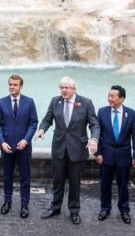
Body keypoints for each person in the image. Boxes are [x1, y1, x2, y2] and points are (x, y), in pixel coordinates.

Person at [36, 77, 100, 225]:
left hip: (77, 150)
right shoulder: (55, 101)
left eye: (67, 88)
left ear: (74, 89)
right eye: (62, 88)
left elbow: (94, 125)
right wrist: (42, 129)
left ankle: (74, 210)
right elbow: (47, 119)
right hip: (59, 149)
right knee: (57, 181)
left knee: (75, 183)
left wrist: (94, 139)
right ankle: (55, 207)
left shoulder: (86, 103)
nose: (64, 90)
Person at [94, 85, 135, 224]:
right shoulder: (102, 112)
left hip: (124, 156)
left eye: (113, 96)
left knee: (123, 185)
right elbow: (98, 134)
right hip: (106, 156)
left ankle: (124, 210)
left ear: (121, 98)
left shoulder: (131, 114)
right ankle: (105, 208)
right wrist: (98, 153)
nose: (109, 99)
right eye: (109, 96)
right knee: (105, 184)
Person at [0, 75, 38, 219]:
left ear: (21, 86)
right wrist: (2, 142)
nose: (12, 87)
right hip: (7, 147)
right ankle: (7, 202)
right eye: (10, 84)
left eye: (15, 84)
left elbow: (33, 123)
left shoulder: (29, 102)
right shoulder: (1, 102)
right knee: (7, 176)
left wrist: (26, 140)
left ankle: (24, 205)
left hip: (24, 147)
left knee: (25, 178)